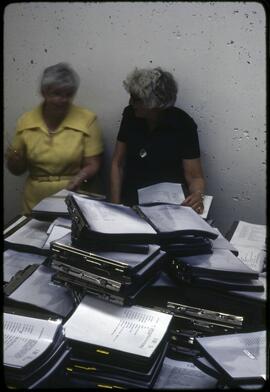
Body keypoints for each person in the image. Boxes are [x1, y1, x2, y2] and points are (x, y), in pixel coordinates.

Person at [5, 62, 104, 215]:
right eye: (57, 93)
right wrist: (15, 161)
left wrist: (78, 178)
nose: (63, 99)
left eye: (69, 94)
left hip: (74, 199)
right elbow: (17, 170)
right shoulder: (26, 121)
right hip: (34, 202)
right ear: (44, 92)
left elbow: (93, 164)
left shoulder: (87, 120)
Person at [110, 67, 205, 214]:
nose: (131, 103)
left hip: (170, 205)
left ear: (155, 104)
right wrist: (115, 207)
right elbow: (118, 163)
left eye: (137, 100)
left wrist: (198, 194)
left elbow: (195, 176)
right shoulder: (130, 115)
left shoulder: (183, 124)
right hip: (133, 200)